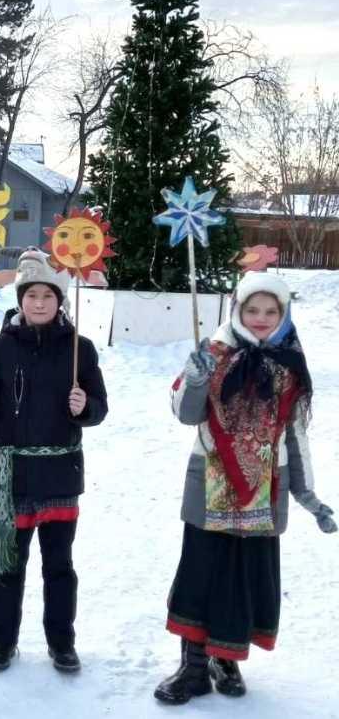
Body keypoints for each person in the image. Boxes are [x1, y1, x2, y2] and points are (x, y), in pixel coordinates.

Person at [154, 271, 335, 705]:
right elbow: (185, 412)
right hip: (210, 483)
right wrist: (196, 380)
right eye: (252, 309)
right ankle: (193, 667)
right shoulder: (214, 353)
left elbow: (296, 435)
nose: (260, 318)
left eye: (270, 311)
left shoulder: (290, 364)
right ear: (237, 310)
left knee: (244, 578)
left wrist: (308, 495)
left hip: (265, 489)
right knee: (203, 573)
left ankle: (226, 659)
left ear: (283, 314)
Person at [0, 248, 108, 674]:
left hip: (60, 473)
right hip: (12, 475)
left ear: (60, 300)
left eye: (48, 295)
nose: (40, 302)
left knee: (59, 565)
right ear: (20, 300)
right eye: (32, 295)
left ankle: (61, 642)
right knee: (7, 564)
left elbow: (100, 408)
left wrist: (85, 406)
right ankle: (2, 641)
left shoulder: (79, 349)